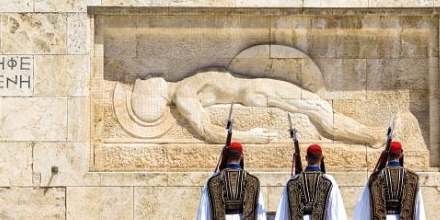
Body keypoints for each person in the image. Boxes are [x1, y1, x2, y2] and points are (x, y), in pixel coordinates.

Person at [121, 72, 386, 146]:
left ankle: (370, 135)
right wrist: (251, 137)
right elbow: (209, 132)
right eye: (147, 84)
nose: (150, 78)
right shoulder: (183, 94)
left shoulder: (184, 87)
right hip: (258, 91)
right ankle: (371, 137)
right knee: (321, 113)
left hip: (257, 89)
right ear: (155, 93)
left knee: (319, 110)